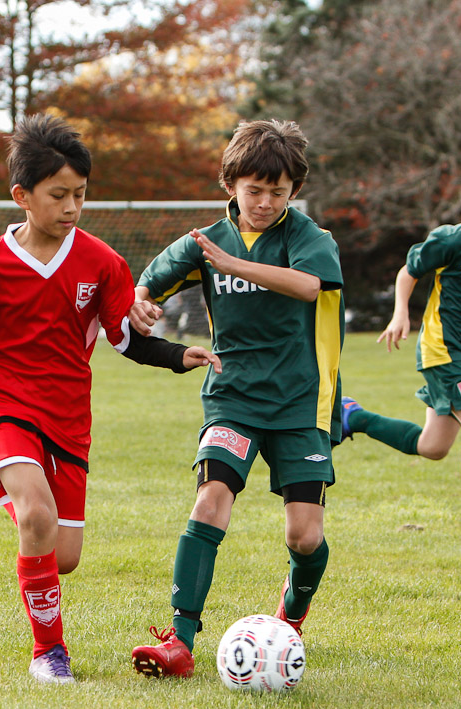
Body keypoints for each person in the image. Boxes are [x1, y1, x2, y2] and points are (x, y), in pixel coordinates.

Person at [0, 114, 212, 684]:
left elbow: (124, 338)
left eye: (80, 194)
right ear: (21, 196)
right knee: (37, 516)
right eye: (58, 195)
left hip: (68, 413)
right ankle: (49, 652)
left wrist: (177, 355)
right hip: (0, 403)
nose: (71, 207)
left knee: (63, 556)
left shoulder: (102, 262)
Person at [128, 119, 344, 679]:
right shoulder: (205, 241)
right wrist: (140, 300)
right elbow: (147, 280)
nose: (266, 202)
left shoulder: (309, 239)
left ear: (294, 190)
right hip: (232, 396)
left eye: (279, 191)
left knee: (305, 535)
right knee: (210, 501)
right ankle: (179, 642)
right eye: (255, 190)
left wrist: (233, 266)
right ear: (230, 185)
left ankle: (291, 616)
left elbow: (308, 286)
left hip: (301, 402)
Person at [341, 151, 461, 545]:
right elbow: (408, 272)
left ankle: (353, 417)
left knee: (433, 447)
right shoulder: (452, 240)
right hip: (442, 351)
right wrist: (400, 314)